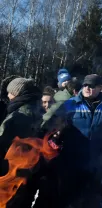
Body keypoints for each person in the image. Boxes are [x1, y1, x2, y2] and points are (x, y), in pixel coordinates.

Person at [57, 74, 102, 207]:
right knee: (70, 198)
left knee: (92, 198)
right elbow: (56, 129)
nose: (87, 88)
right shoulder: (70, 105)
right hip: (72, 160)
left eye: (92, 86)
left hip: (97, 162)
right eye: (85, 85)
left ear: (100, 88)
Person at [0, 78, 42, 207]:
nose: (8, 95)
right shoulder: (36, 108)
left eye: (10, 92)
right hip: (28, 169)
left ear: (18, 92)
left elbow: (6, 142)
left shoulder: (21, 114)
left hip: (13, 168)